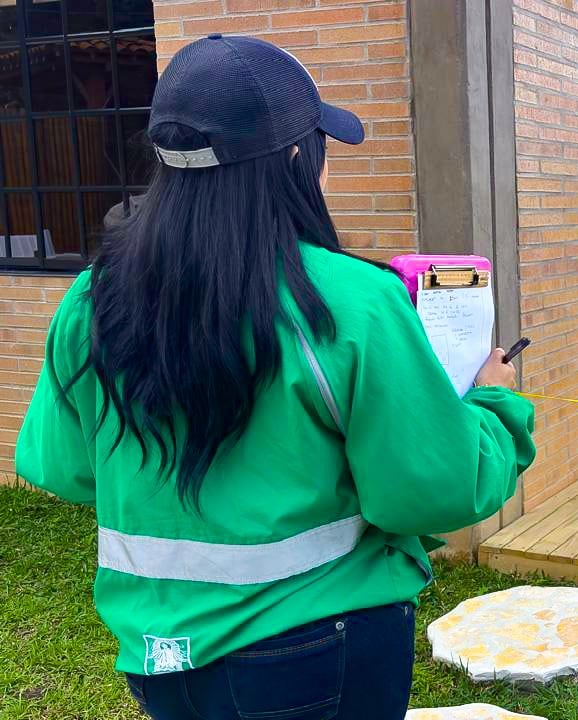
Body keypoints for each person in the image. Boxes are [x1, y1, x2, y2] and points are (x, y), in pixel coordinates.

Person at [16, 34, 535, 720]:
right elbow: (431, 491)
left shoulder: (90, 300)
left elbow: (64, 467)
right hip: (318, 648)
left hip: (156, 653)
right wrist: (493, 402)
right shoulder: (351, 301)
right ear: (294, 159)